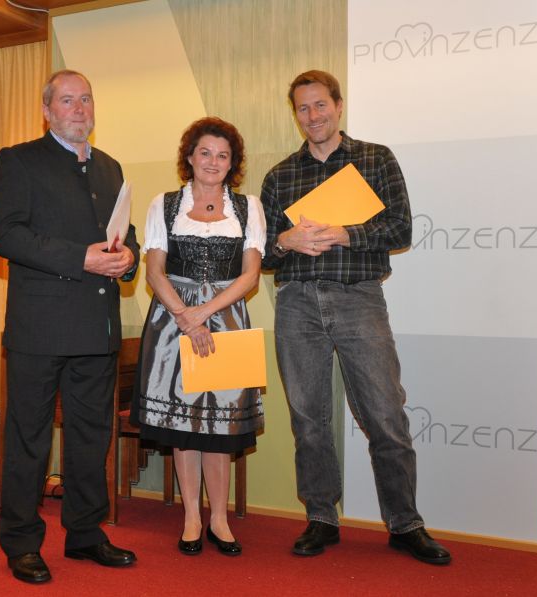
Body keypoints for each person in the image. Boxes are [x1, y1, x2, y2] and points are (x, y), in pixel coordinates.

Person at [260, 70, 451, 565]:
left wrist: (346, 233)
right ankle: (321, 518)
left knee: (385, 415)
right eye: (303, 108)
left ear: (338, 106)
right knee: (308, 419)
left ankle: (405, 524)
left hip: (359, 297)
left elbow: (401, 228)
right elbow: (261, 254)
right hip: (297, 302)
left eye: (320, 105)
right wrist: (285, 240)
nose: (312, 116)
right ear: (295, 114)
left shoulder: (375, 158)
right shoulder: (280, 176)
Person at [0, 69, 140, 584]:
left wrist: (129, 258)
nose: (79, 109)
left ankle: (86, 534)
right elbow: (5, 234)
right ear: (47, 111)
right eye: (68, 100)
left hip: (97, 328)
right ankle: (21, 542)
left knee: (91, 438)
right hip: (39, 328)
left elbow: (123, 235)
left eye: (86, 99)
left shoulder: (111, 167)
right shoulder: (18, 161)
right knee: (28, 439)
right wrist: (82, 258)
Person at [133, 117, 265, 557]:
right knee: (183, 425)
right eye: (205, 152)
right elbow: (155, 271)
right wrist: (185, 317)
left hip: (226, 319)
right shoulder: (164, 204)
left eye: (222, 155)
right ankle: (191, 516)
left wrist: (204, 314)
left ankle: (219, 520)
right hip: (172, 321)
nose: (213, 161)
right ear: (189, 157)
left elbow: (250, 276)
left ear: (232, 163)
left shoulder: (248, 207)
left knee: (220, 427)